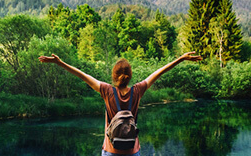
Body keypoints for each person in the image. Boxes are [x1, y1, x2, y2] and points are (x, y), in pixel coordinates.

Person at [38, 52, 202, 156]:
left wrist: (59, 63)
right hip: (132, 150)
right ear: (130, 76)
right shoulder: (138, 91)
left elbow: (82, 75)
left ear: (114, 76)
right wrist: (180, 59)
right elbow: (159, 72)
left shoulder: (106, 90)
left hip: (110, 151)